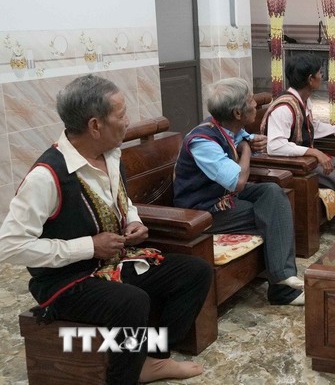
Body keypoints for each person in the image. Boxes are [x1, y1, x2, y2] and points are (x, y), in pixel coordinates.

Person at [0, 75, 211, 384]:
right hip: (67, 280)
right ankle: (123, 376)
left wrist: (134, 221)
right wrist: (88, 246)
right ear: (95, 125)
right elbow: (9, 246)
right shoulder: (47, 176)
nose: (128, 122)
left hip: (110, 265)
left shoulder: (110, 155)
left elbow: (123, 202)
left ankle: (152, 358)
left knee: (195, 272)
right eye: (121, 114)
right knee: (132, 301)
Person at [173, 78, 304, 306]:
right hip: (201, 211)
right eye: (250, 101)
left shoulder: (226, 127)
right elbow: (238, 182)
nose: (255, 105)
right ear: (237, 113)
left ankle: (281, 279)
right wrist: (246, 149)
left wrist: (250, 140)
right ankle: (282, 288)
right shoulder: (202, 141)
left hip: (223, 197)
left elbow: (239, 138)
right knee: (272, 215)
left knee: (273, 192)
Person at [262, 53, 335, 221]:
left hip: (308, 160)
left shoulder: (304, 100)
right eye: (320, 73)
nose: (322, 76)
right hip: (295, 166)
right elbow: (275, 146)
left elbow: (313, 127)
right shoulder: (283, 108)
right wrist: (314, 153)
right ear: (310, 79)